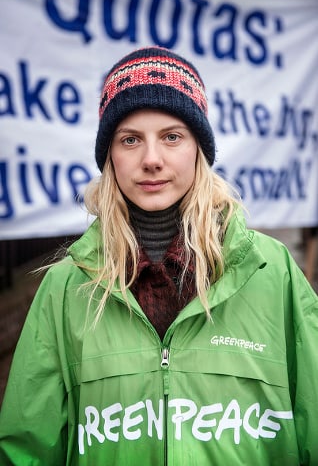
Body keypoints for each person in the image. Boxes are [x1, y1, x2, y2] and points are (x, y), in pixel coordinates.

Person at [0, 46, 317, 466]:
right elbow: (27, 451)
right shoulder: (67, 286)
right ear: (109, 156)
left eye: (172, 136)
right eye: (130, 139)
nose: (152, 159)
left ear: (198, 149)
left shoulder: (271, 271)